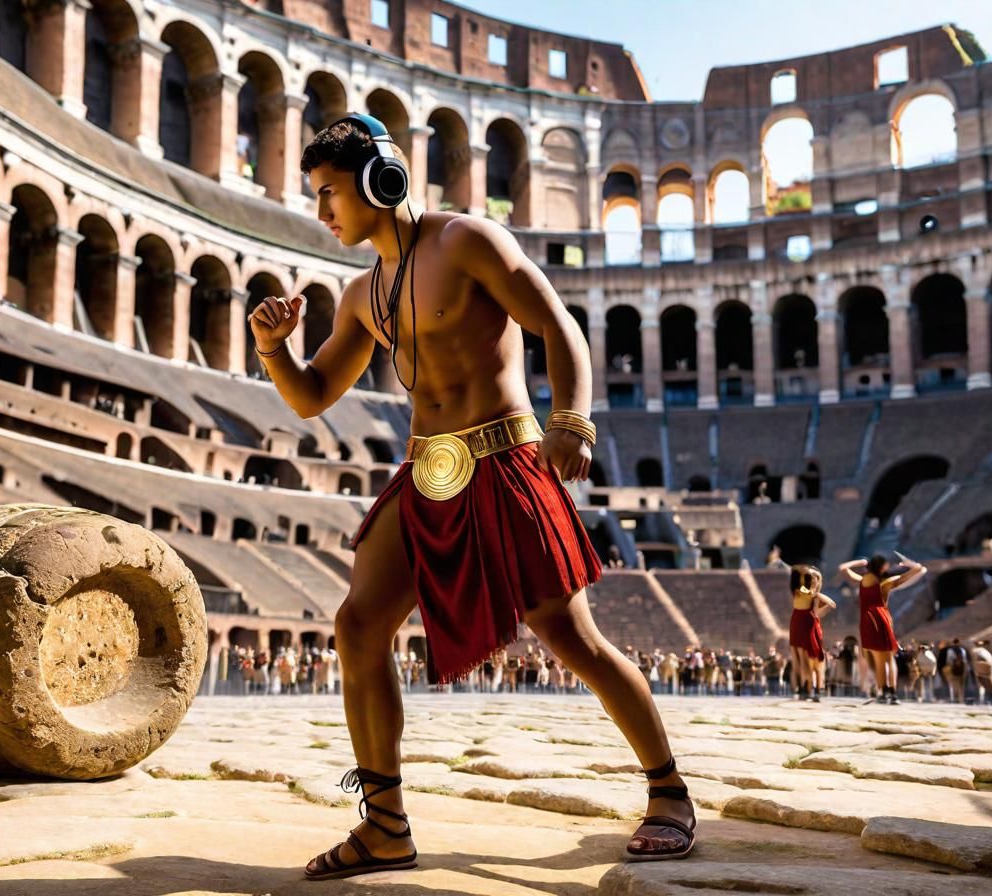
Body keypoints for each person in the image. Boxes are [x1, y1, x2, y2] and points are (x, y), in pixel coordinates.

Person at [249, 115, 696, 879]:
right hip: (427, 469)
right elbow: (313, 396)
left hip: (505, 455)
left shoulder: (468, 241)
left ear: (377, 180)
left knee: (569, 637)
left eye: (329, 193)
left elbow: (558, 326)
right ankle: (384, 825)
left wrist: (572, 422)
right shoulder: (362, 294)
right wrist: (273, 349)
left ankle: (669, 792)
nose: (321, 212)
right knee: (359, 625)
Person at [839, 554, 926, 704]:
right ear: (882, 568)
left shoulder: (862, 580)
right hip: (881, 618)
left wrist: (859, 562)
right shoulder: (885, 583)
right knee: (888, 659)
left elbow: (843, 568)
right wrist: (909, 564)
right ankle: (891, 693)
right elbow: (918, 570)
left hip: (867, 620)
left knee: (879, 660)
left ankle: (883, 692)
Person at [788, 565, 836, 702]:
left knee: (814, 657)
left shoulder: (815, 596)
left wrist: (822, 600)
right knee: (802, 657)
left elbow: (825, 609)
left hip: (810, 625)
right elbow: (806, 592)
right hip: (799, 623)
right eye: (810, 576)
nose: (812, 578)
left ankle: (817, 688)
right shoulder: (801, 589)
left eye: (815, 577)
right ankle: (805, 686)